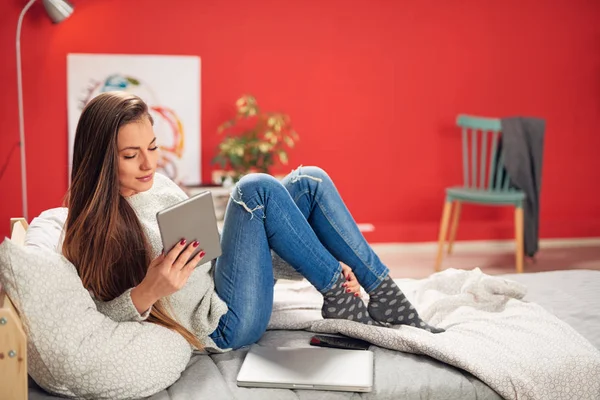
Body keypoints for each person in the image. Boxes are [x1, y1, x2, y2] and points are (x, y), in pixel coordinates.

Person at [62, 91, 442, 352]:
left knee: (309, 181)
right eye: (131, 155)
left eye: (153, 147)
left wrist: (317, 263)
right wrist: (149, 290)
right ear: (101, 159)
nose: (149, 164)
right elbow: (98, 319)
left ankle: (385, 295)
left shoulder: (158, 186)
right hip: (223, 326)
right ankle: (341, 298)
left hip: (225, 285)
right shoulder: (91, 230)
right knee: (255, 188)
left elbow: (224, 259)